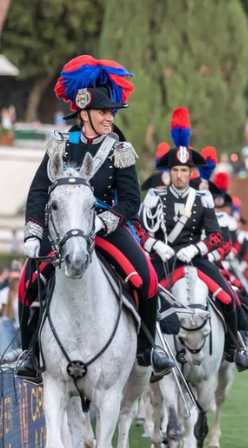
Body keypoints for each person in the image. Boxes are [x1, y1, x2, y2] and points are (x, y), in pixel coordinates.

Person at [18, 55, 174, 382]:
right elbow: (39, 191)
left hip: (106, 227)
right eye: (104, 112)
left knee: (146, 277)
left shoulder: (120, 148)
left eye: (112, 112)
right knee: (26, 282)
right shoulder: (61, 145)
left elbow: (132, 199)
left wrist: (108, 220)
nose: (110, 117)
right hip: (65, 229)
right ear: (85, 113)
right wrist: (34, 231)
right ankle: (30, 353)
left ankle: (148, 350)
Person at [139, 108, 248, 371]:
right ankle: (145, 349)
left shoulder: (203, 199)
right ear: (170, 171)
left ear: (191, 172)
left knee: (227, 296)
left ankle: (235, 346)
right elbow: (140, 230)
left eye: (185, 170)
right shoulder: (155, 197)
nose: (180, 175)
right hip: (163, 259)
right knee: (141, 294)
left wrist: (195, 249)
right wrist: (155, 245)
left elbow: (215, 236)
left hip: (194, 259)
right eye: (176, 170)